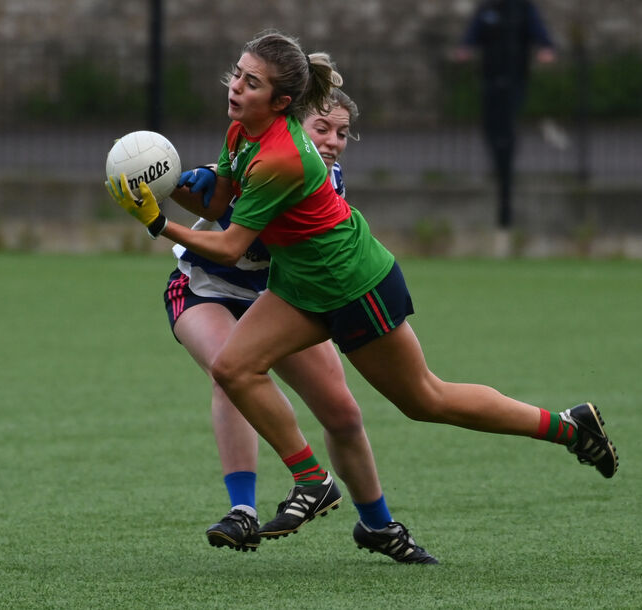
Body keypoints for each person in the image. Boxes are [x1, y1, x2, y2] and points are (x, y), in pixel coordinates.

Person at [107, 31, 617, 555]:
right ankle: (311, 480)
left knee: (425, 399)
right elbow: (218, 206)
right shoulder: (242, 130)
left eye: (250, 82)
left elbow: (231, 245)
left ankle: (568, 428)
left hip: (354, 285)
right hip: (300, 286)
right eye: (237, 73)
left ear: (281, 103)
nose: (235, 86)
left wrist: (156, 222)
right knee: (233, 369)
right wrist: (181, 185)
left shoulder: (283, 156)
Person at [149, 88, 436, 563]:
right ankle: (242, 509)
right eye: (321, 128)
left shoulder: (314, 178)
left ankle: (379, 525)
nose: (331, 141)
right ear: (292, 125)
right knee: (231, 372)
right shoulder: (257, 153)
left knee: (343, 414)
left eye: (342, 133)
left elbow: (235, 222)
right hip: (206, 289)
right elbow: (221, 189)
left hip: (283, 298)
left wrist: (184, 199)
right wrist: (177, 181)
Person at [453, 0, 556, 228]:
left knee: (506, 130)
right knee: (492, 129)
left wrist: (546, 48)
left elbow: (540, 33)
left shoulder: (523, 9)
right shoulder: (487, 10)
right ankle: (499, 162)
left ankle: (506, 168)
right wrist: (465, 49)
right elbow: (471, 35)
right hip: (490, 82)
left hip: (515, 82)